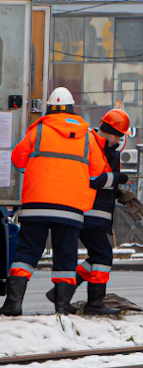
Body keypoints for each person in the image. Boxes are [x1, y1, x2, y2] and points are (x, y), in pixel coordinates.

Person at [2, 88, 106, 316]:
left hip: (36, 203)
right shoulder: (87, 134)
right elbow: (97, 172)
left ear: (49, 107)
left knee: (27, 252)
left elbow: (18, 160)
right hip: (71, 207)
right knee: (66, 254)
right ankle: (62, 305)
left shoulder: (38, 130)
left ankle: (13, 303)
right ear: (72, 108)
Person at [54, 109, 131, 316]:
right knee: (103, 255)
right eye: (119, 136)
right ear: (112, 132)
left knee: (97, 255)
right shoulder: (96, 146)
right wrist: (117, 180)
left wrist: (117, 191)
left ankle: (62, 292)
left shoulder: (99, 145)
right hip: (90, 213)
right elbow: (92, 178)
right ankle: (94, 303)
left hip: (93, 213)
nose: (119, 141)